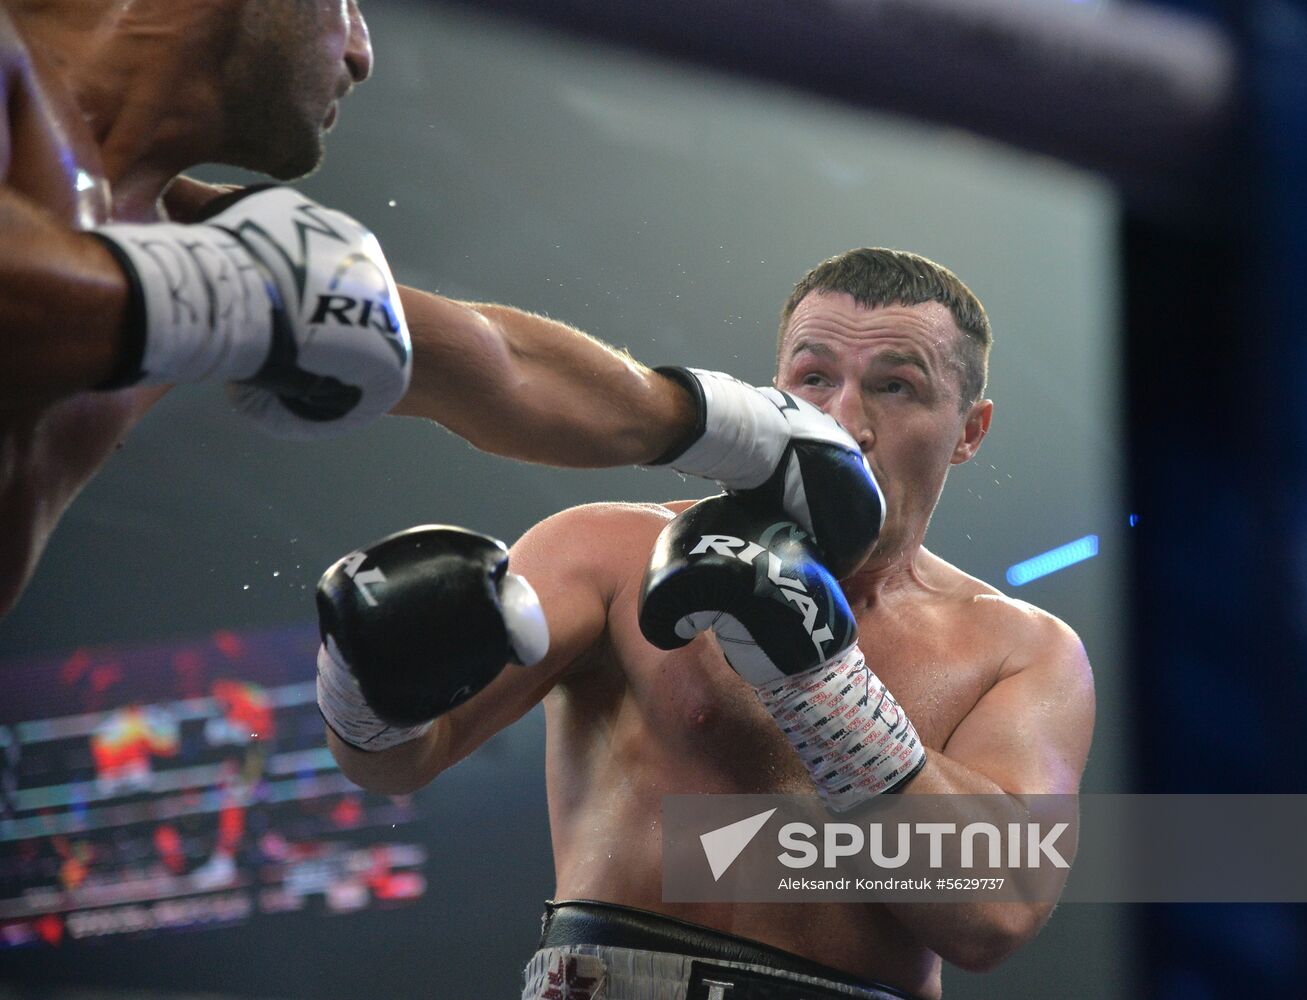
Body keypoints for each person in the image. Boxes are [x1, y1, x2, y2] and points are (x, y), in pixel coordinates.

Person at [316, 248, 1097, 999]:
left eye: (896, 387)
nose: (844, 419)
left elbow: (995, 916)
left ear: (969, 430)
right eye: (814, 378)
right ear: (776, 390)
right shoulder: (608, 551)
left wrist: (819, 679)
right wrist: (362, 680)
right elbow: (398, 762)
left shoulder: (1021, 649)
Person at [0, 0, 880, 619]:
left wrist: (750, 432)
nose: (360, 52)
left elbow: (500, 368)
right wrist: (243, 299)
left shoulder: (191, 242)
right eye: (346, 2)